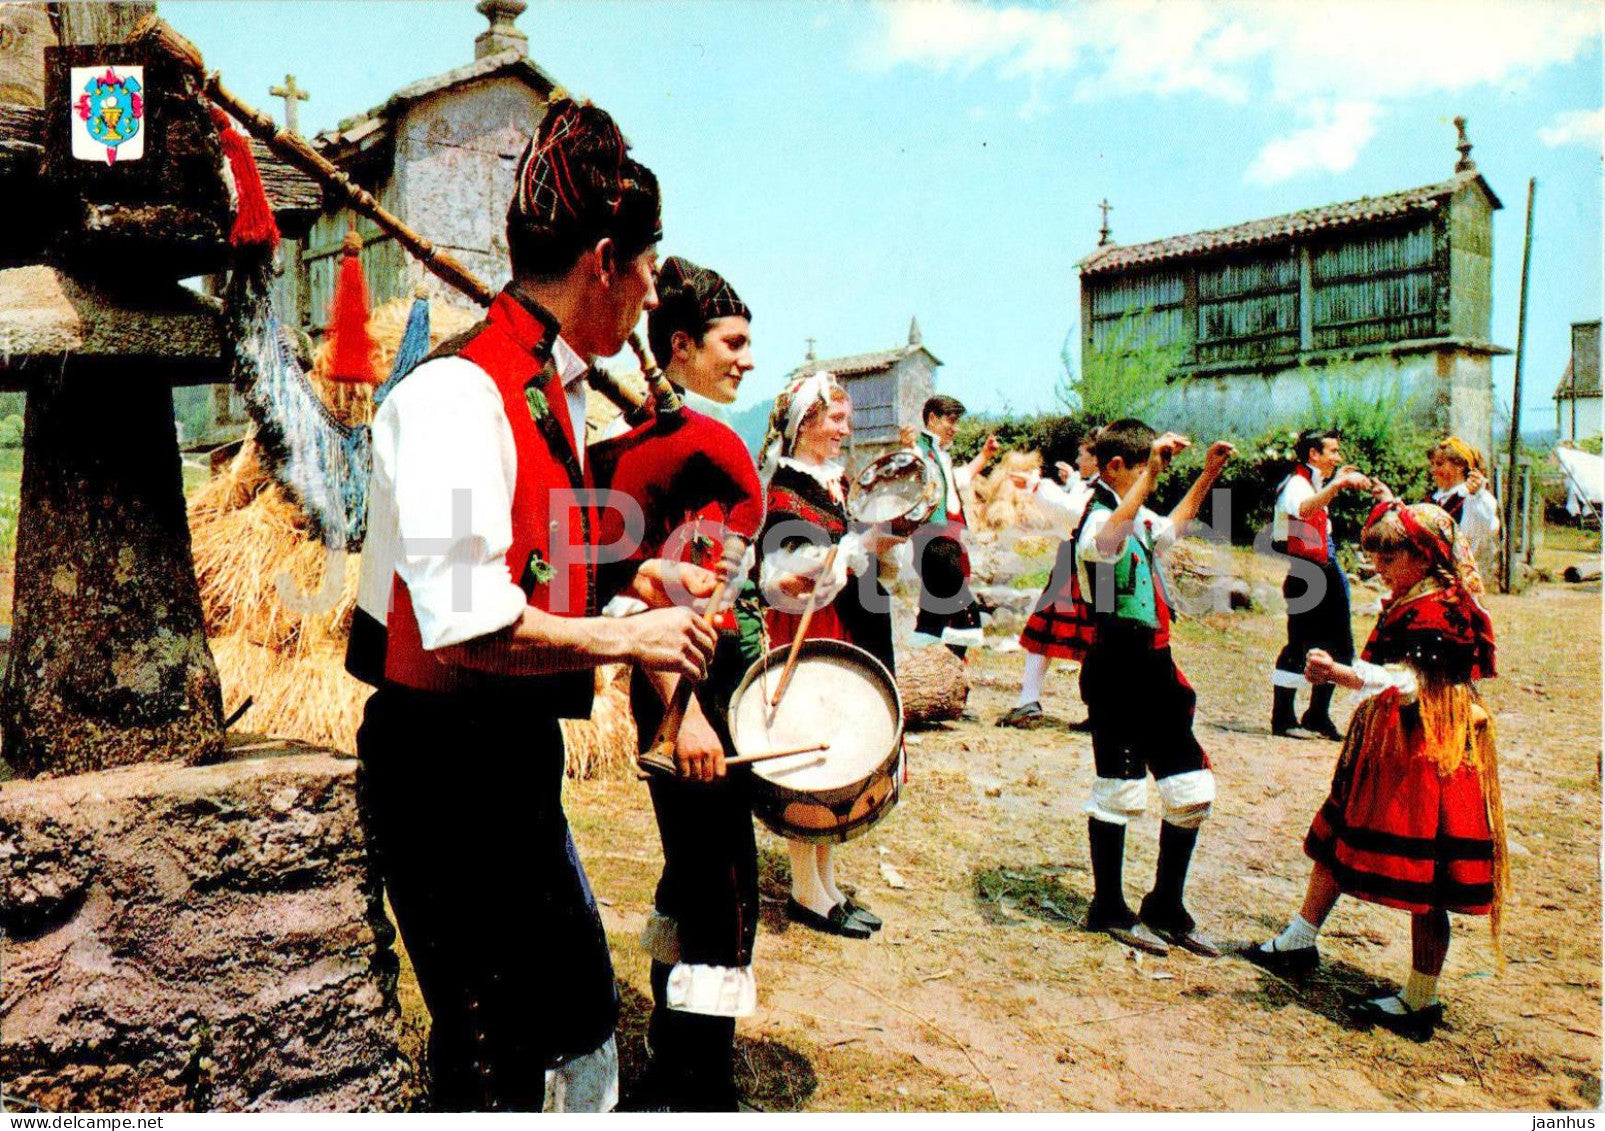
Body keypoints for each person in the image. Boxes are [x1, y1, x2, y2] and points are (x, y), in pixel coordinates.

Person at [348, 100, 720, 1112]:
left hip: (507, 759)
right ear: (604, 261)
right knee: (502, 1049)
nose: (652, 297)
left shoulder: (546, 386)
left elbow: (520, 560)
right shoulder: (457, 398)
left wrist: (629, 579)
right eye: (648, 270)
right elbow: (469, 624)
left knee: (573, 1024)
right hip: (446, 768)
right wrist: (632, 635)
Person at [1244, 502, 1505, 1042]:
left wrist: (1341, 674)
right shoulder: (1416, 597)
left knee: (1427, 873)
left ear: (1425, 555)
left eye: (1391, 554)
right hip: (1392, 742)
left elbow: (1415, 685)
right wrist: (1348, 673)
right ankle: (1299, 937)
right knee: (1339, 834)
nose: (1380, 565)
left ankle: (1419, 997)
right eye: (1376, 555)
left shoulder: (1440, 609)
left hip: (1428, 750)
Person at [604, 256, 764, 1111]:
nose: (746, 359)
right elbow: (655, 597)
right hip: (685, 695)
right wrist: (685, 712)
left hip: (697, 689)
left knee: (693, 871)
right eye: (732, 343)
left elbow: (703, 585)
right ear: (679, 346)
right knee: (721, 888)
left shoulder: (677, 441)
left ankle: (676, 1053)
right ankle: (694, 1093)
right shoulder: (691, 450)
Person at [1076, 419, 1235, 957]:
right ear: (1117, 468)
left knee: (1193, 790)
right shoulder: (1097, 516)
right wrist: (1150, 478)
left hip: (1156, 668)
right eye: (1144, 470)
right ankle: (1108, 907)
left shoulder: (1135, 513)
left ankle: (1166, 904)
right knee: (1120, 792)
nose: (1153, 479)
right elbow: (1105, 542)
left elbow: (1170, 527)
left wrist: (1209, 473)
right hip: (1117, 669)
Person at [757, 372, 901, 939]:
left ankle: (826, 882)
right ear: (806, 423)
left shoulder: (831, 482)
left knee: (836, 746)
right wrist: (860, 546)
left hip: (839, 622)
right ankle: (805, 890)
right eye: (836, 419)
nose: (846, 428)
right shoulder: (785, 490)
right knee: (807, 748)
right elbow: (788, 574)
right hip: (804, 626)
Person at [1269, 429, 1372, 740]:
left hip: (1325, 568)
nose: (1337, 457)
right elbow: (1303, 509)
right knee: (1300, 642)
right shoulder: (1296, 484)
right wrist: (1338, 483)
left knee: (1337, 644)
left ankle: (1317, 714)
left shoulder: (1314, 484)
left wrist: (1335, 483)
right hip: (1306, 572)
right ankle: (1283, 717)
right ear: (1314, 454)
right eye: (1333, 451)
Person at [998, 429, 1101, 729]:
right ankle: (1030, 701)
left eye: (1084, 453)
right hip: (1077, 560)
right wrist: (1071, 482)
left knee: (1090, 640)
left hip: (1084, 565)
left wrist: (1036, 485)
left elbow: (1074, 513)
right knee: (1055, 633)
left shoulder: (1100, 490)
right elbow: (1077, 503)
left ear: (1097, 459)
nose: (1079, 458)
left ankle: (1095, 709)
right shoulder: (1093, 485)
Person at [912, 395, 999, 657]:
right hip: (933, 538)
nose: (955, 427)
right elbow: (909, 468)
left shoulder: (942, 455)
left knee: (934, 610)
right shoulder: (918, 449)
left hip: (949, 536)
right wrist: (909, 447)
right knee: (960, 606)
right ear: (932, 419)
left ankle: (932, 667)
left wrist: (985, 456)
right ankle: (954, 655)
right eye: (951, 420)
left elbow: (958, 478)